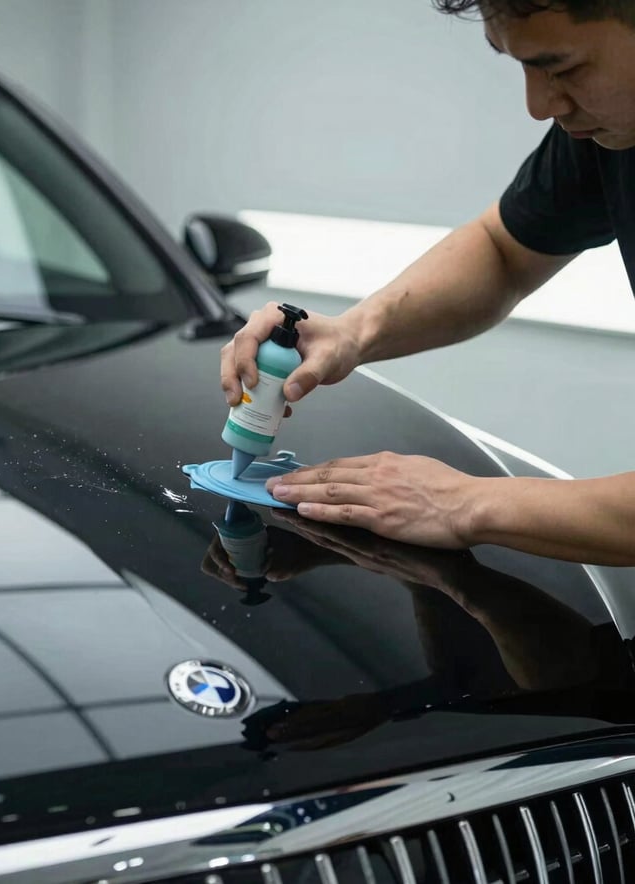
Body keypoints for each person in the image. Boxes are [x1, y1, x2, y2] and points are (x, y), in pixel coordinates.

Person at [221, 0, 635, 567]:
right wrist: (351, 334)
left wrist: (464, 504)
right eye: (522, 67)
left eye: (561, 69)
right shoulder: (612, 130)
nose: (539, 105)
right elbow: (504, 251)